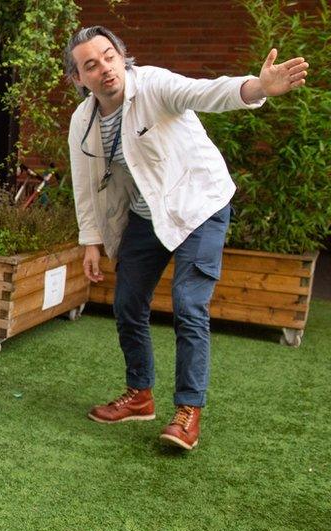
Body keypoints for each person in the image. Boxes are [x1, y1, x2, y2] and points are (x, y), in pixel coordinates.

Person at [64, 26, 307, 450]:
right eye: (90, 65)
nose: (104, 68)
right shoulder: (82, 121)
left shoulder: (154, 85)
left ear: (122, 56)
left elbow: (206, 92)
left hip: (200, 204)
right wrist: (90, 241)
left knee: (189, 302)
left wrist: (256, 88)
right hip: (148, 214)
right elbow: (85, 185)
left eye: (108, 56)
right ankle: (140, 395)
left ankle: (188, 409)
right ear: (78, 79)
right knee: (127, 303)